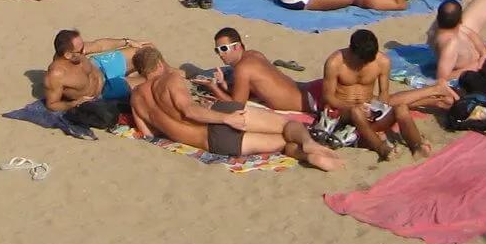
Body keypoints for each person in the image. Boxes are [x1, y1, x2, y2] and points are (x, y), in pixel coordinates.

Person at [127, 47, 338, 170]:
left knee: (283, 144)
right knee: (287, 125)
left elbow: (149, 135)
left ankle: (306, 156)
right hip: (221, 116)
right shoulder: (170, 79)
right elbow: (188, 110)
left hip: (213, 143)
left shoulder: (136, 99)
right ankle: (309, 143)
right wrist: (225, 119)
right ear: (161, 64)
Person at [320, 30, 449, 159]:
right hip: (345, 113)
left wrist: (376, 110)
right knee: (356, 111)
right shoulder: (335, 62)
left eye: (368, 61)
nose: (363, 65)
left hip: (369, 111)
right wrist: (351, 107)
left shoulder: (382, 62)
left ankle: (417, 146)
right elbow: (328, 97)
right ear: (351, 50)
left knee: (401, 108)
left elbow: (384, 95)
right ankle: (381, 148)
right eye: (361, 61)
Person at [199, 28, 307, 112]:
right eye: (217, 50)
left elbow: (236, 106)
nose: (220, 54)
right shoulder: (255, 54)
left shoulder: (242, 69)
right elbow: (248, 90)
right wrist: (222, 83)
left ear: (237, 46)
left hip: (307, 103)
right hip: (306, 90)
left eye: (224, 49)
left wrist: (213, 87)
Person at [43, 29, 146, 109]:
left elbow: (99, 45)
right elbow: (52, 104)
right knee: (150, 82)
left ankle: (133, 74)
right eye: (81, 50)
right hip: (103, 90)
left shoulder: (75, 49)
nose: (84, 51)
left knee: (146, 50)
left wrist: (127, 41)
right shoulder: (56, 76)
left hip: (101, 65)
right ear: (68, 55)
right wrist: (74, 104)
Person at [427, 0, 486, 82]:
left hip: (478, 53)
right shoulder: (450, 45)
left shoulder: (445, 25)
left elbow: (470, 33)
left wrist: (483, 52)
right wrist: (474, 67)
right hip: (477, 62)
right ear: (460, 20)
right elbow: (442, 78)